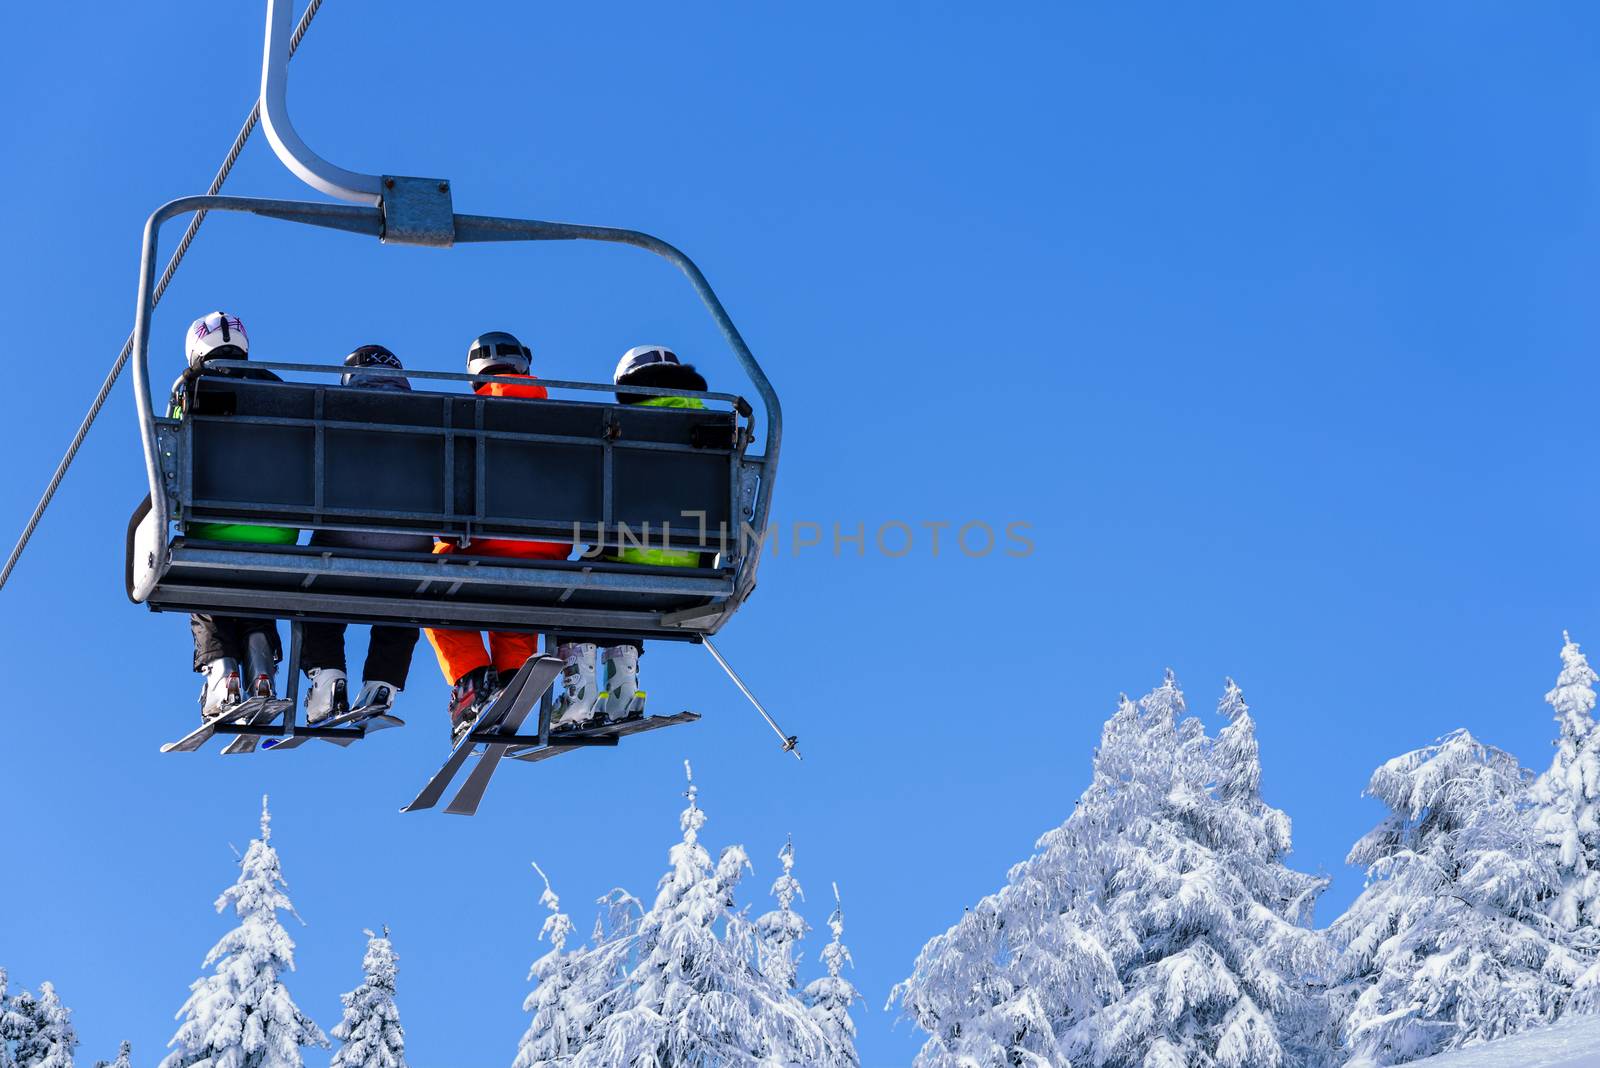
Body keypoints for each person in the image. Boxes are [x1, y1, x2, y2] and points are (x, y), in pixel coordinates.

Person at [549, 345, 710, 731]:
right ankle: (623, 691)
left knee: (573, 591)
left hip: (631, 552)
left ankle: (579, 695)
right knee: (625, 591)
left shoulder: (623, 426)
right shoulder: (714, 427)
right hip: (694, 563)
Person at [424, 332, 570, 746]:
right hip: (549, 550)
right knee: (516, 596)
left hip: (483, 546)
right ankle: (511, 675)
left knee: (431, 584)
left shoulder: (460, 417)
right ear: (524, 364)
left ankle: (471, 678)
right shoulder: (567, 418)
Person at [169, 312, 297, 721]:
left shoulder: (190, 390)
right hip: (276, 531)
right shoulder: (277, 390)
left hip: (213, 524)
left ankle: (223, 674)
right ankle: (261, 666)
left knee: (206, 584)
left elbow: (172, 456)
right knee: (255, 577)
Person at [300, 346, 434, 725]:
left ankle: (328, 679)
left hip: (344, 540)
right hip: (413, 544)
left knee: (315, 587)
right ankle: (383, 683)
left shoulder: (332, 412)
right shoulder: (436, 417)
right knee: (406, 590)